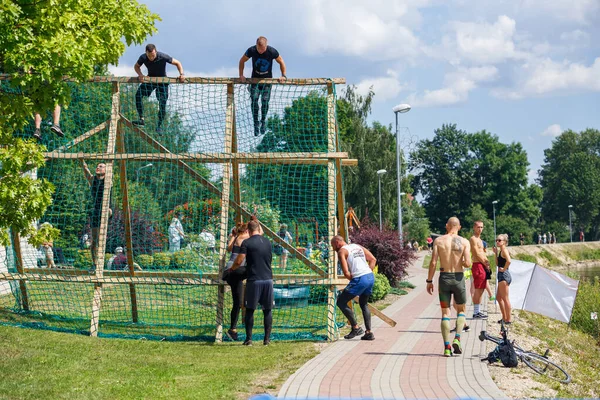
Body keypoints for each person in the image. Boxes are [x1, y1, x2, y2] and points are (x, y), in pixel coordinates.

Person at [427, 217, 472, 357]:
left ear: (447, 226)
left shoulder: (439, 241)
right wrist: (463, 263)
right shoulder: (464, 242)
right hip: (458, 278)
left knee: (445, 313)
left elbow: (433, 263)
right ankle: (457, 338)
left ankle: (447, 348)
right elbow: (469, 263)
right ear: (459, 227)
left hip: (444, 278)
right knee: (461, 310)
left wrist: (429, 281)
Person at [231, 220, 274, 346]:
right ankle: (267, 339)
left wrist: (232, 268)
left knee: (250, 309)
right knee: (267, 310)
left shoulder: (247, 242)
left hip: (254, 280)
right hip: (268, 279)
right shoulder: (267, 242)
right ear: (259, 229)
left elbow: (239, 260)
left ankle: (249, 339)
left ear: (248, 231)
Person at [238, 36, 287, 136]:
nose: (260, 52)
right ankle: (256, 123)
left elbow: (281, 61)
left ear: (266, 46)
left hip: (267, 81)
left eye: (262, 50)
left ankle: (263, 121)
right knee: (254, 99)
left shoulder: (272, 52)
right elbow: (242, 61)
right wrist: (241, 75)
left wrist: (283, 75)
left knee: (265, 100)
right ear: (256, 46)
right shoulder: (251, 50)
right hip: (255, 80)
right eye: (259, 50)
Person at [331, 235, 377, 341]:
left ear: (338, 242)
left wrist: (358, 277)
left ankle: (356, 328)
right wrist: (366, 272)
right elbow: (373, 259)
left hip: (360, 278)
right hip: (370, 277)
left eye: (333, 245)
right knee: (363, 303)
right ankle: (369, 333)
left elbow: (346, 273)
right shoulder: (357, 246)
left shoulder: (341, 251)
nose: (333, 248)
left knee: (341, 302)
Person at [133, 44, 185, 133]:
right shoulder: (143, 58)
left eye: (153, 55)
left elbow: (177, 63)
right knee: (138, 95)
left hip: (162, 81)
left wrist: (182, 74)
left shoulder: (163, 56)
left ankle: (159, 126)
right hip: (150, 80)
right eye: (149, 56)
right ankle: (141, 119)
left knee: (162, 102)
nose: (151, 57)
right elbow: (136, 66)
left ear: (155, 52)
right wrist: (140, 75)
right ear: (146, 53)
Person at [81, 161, 110, 270]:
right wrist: (83, 163)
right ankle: (95, 263)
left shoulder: (108, 181)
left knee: (109, 211)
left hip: (106, 209)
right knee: (95, 242)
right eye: (97, 166)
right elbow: (86, 173)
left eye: (101, 166)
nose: (98, 167)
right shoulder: (93, 180)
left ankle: (100, 262)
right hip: (96, 211)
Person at [223, 223, 250, 341]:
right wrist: (255, 221)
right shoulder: (243, 238)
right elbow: (259, 233)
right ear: (245, 231)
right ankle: (232, 329)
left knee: (237, 302)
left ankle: (232, 329)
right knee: (238, 302)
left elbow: (229, 248)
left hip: (232, 271)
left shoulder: (236, 238)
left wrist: (232, 236)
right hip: (234, 270)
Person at [469, 221, 489, 319]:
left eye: (481, 227)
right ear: (474, 227)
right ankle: (475, 312)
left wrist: (486, 263)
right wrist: (485, 263)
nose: (480, 229)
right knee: (478, 289)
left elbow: (483, 252)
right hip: (478, 265)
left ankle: (478, 311)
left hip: (482, 265)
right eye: (478, 227)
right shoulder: (473, 239)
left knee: (481, 288)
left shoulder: (480, 239)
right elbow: (476, 253)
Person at [494, 234, 512, 324]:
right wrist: (495, 254)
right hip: (501, 275)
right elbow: (497, 263)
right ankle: (504, 317)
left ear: (504, 242)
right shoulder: (501, 251)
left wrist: (504, 269)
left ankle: (508, 319)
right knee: (498, 297)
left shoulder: (504, 250)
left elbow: (509, 261)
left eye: (499, 240)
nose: (497, 241)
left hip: (504, 275)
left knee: (505, 298)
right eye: (496, 240)